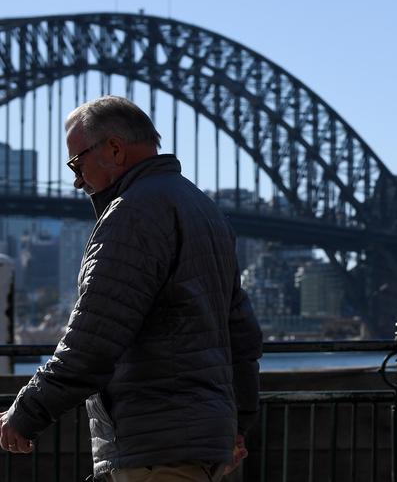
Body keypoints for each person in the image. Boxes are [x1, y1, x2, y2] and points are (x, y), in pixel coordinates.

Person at [0, 95, 263, 481]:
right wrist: (236, 423)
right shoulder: (203, 210)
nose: (76, 179)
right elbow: (242, 335)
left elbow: (94, 337)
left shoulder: (132, 214)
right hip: (199, 444)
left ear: (115, 149)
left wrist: (26, 412)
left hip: (155, 448)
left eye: (77, 162)